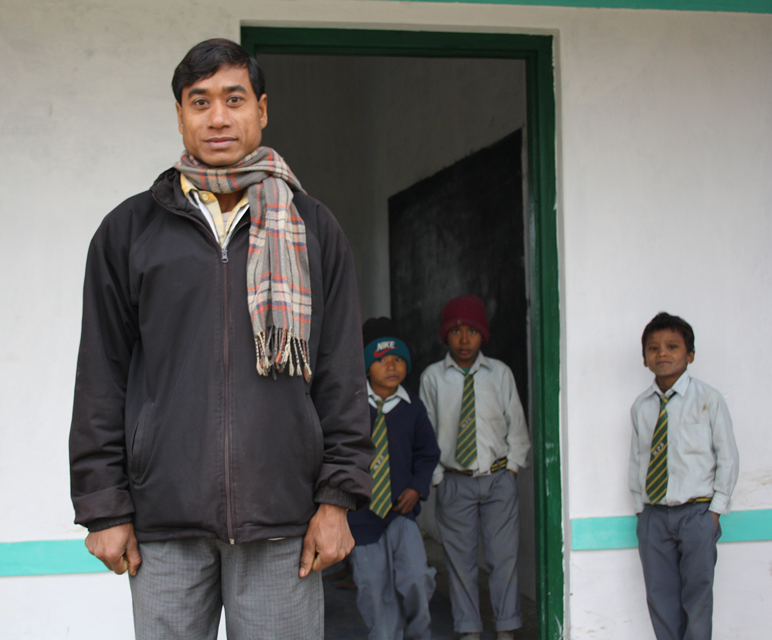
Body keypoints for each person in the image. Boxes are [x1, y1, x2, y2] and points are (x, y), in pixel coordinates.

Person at [68, 38, 373, 639]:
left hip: (286, 519)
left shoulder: (312, 226)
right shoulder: (129, 230)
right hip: (163, 524)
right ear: (179, 115)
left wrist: (337, 501)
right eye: (199, 101)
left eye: (234, 99)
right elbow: (100, 375)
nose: (218, 117)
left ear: (261, 109)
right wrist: (103, 508)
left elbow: (341, 372)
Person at [418, 294, 530, 640]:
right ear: (445, 335)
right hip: (455, 481)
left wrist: (511, 468)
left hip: (498, 479)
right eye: (455, 331)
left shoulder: (500, 374)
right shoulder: (433, 378)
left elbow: (517, 426)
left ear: (483, 335)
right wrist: (438, 477)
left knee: (503, 560)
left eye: (471, 331)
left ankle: (507, 627)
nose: (464, 339)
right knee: (461, 563)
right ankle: (469, 629)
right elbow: (426, 431)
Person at [630, 312, 738, 640]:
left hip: (697, 512)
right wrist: (641, 510)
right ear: (645, 358)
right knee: (660, 597)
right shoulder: (641, 406)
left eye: (672, 346)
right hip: (655, 515)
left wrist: (715, 511)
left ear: (689, 355)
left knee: (697, 597)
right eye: (654, 348)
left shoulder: (709, 400)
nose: (662, 353)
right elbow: (638, 460)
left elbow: (728, 457)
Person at [347, 317, 440, 640]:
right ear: (365, 367)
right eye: (381, 359)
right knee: (373, 588)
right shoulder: (353, 409)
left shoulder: (413, 408)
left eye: (398, 359)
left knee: (416, 577)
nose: (391, 366)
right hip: (362, 516)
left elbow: (428, 454)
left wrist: (417, 487)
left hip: (401, 512)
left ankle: (418, 634)